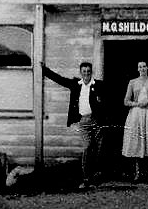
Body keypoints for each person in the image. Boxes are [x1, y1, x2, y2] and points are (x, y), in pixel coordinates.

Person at [40, 60, 106, 189]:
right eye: (84, 71)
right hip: (83, 121)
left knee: (98, 149)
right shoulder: (76, 84)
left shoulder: (99, 85)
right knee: (87, 147)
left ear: (91, 72)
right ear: (81, 72)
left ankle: (96, 178)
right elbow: (59, 79)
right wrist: (44, 70)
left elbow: (107, 101)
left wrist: (101, 106)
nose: (86, 74)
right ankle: (86, 179)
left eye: (88, 71)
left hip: (97, 121)